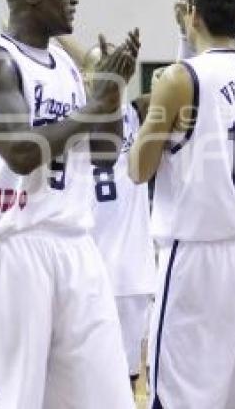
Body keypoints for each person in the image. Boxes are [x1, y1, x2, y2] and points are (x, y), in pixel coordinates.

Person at [0, 0, 139, 408]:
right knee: (11, 397)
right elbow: (21, 154)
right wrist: (95, 105)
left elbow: (105, 152)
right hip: (13, 246)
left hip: (76, 244)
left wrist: (112, 91)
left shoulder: (64, 64)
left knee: (104, 395)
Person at [130, 0, 235, 408]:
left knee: (181, 397)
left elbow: (139, 169)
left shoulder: (177, 79)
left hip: (200, 256)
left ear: (192, 14)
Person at [77, 43, 155, 390]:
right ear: (83, 76)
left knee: (124, 377)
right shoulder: (68, 119)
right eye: (99, 66)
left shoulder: (141, 114)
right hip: (78, 266)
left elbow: (189, 86)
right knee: (79, 374)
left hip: (127, 269)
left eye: (115, 67)